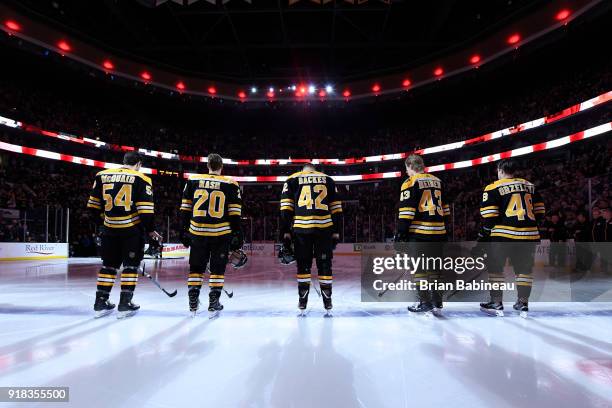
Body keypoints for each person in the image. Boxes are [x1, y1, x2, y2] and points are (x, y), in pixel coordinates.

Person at [87, 152, 162, 318]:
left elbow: (92, 207)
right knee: (130, 267)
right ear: (138, 164)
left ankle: (100, 302)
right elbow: (146, 211)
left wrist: (104, 223)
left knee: (108, 266)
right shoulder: (142, 179)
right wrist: (150, 229)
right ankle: (125, 304)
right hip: (131, 231)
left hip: (109, 229)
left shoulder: (102, 175)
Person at [478, 159, 545, 317]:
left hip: (503, 235)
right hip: (529, 235)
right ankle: (523, 303)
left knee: (496, 269)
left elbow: (489, 215)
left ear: (500, 170)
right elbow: (541, 211)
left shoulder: (493, 187)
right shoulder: (530, 186)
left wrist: (485, 233)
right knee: (524, 270)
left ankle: (496, 302)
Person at [179, 153, 244, 317]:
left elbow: (185, 209)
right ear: (221, 166)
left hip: (197, 232)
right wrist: (238, 234)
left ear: (208, 165)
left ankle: (193, 301)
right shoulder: (231, 183)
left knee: (195, 269)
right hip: (220, 234)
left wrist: (183, 229)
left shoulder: (193, 181)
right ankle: (213, 302)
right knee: (217, 270)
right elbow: (235, 214)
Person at [280, 163, 342, 315]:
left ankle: (302, 302)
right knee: (325, 265)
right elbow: (337, 209)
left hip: (302, 230)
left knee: (303, 267)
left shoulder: (292, 179)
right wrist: (336, 232)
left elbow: (285, 209)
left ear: (302, 169)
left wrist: (285, 233)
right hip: (325, 229)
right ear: (315, 169)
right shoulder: (328, 179)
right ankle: (327, 302)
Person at [395, 154, 450, 314]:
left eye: (406, 168)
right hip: (438, 232)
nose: (406, 172)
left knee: (419, 269)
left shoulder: (410, 182)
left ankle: (424, 302)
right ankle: (437, 302)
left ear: (410, 166)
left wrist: (401, 234)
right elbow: (445, 210)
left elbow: (406, 212)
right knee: (435, 269)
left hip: (419, 233)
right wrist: (445, 230)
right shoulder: (438, 181)